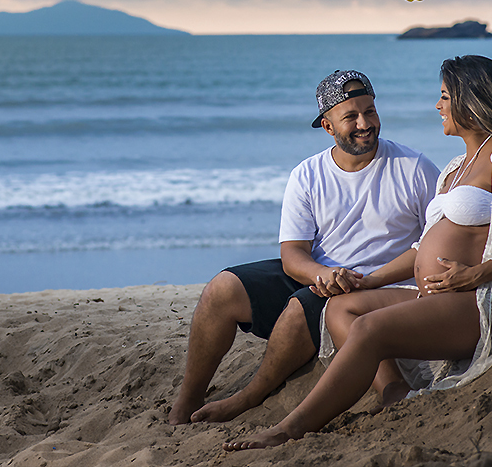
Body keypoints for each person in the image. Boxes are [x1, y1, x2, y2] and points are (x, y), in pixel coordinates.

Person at [223, 55, 492, 450]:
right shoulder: (456, 167)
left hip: (480, 300)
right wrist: (369, 282)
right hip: (437, 295)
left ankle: (290, 428)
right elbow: (423, 245)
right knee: (341, 308)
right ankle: (393, 390)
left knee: (370, 330)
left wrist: (478, 273)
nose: (437, 106)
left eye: (445, 96)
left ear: (472, 100)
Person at [168, 70, 441, 426]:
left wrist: (367, 280)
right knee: (222, 288)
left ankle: (248, 397)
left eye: (370, 112)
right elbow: (293, 254)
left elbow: (433, 244)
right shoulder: (308, 174)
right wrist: (323, 274)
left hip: (381, 286)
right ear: (328, 126)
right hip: (324, 274)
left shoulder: (415, 168)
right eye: (351, 116)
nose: (365, 124)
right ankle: (187, 400)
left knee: (301, 307)